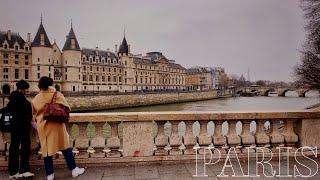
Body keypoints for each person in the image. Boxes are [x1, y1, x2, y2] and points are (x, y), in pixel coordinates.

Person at [32, 77, 85, 180]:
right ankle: (74, 169)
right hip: (57, 125)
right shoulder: (57, 95)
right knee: (65, 147)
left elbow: (33, 114)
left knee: (47, 151)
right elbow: (67, 108)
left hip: (43, 127)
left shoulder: (36, 99)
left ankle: (50, 175)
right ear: (51, 84)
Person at [7, 80, 34, 178]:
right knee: (25, 148)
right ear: (22, 89)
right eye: (26, 89)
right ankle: (24, 170)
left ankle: (13, 171)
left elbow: (9, 110)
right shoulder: (21, 99)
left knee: (13, 148)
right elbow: (26, 112)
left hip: (14, 126)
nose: (27, 91)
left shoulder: (13, 98)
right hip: (23, 127)